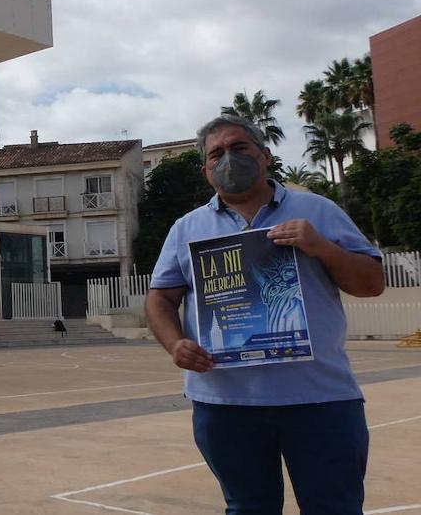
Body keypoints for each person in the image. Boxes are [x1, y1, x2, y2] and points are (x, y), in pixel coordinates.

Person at [146, 115, 385, 515]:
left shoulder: (317, 211)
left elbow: (371, 283)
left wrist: (321, 246)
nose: (228, 159)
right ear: (206, 171)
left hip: (320, 399)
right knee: (247, 508)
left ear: (265, 155)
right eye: (216, 154)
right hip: (224, 404)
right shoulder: (187, 228)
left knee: (335, 508)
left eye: (239, 148)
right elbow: (159, 299)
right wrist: (175, 344)